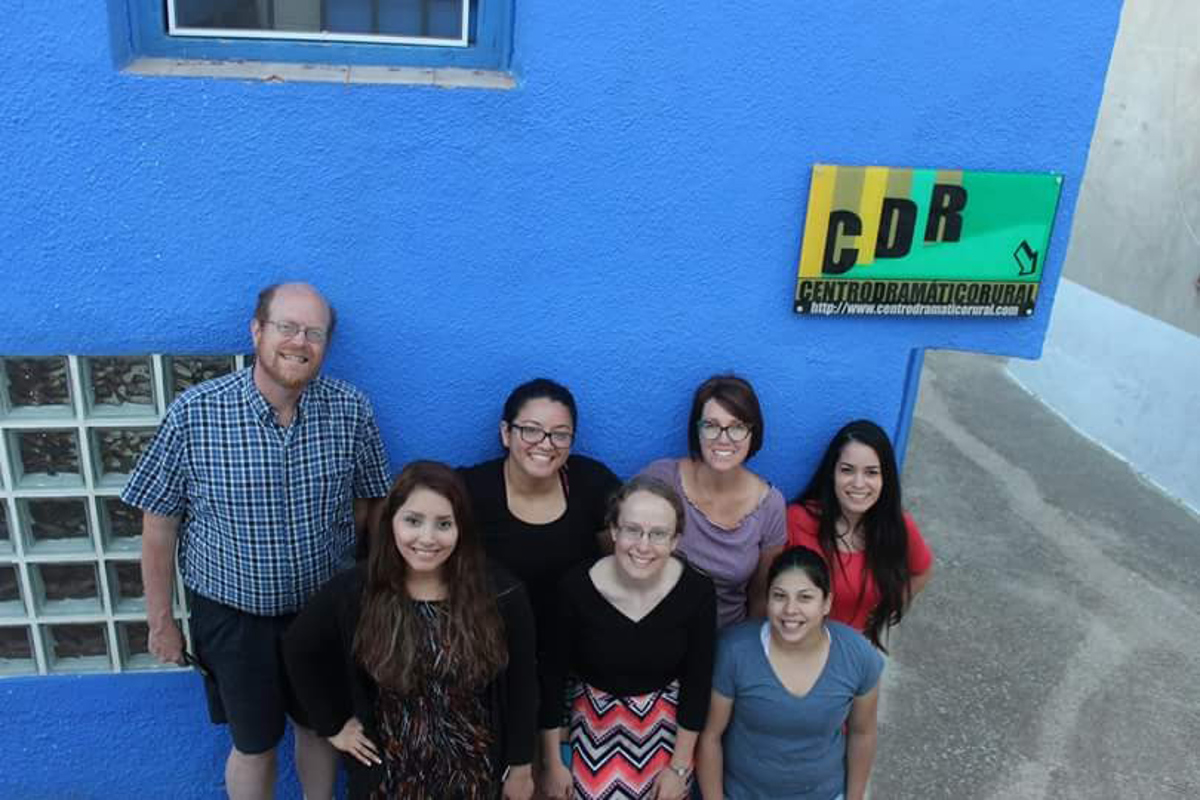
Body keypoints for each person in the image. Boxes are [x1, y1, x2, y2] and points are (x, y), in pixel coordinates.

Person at [121, 282, 391, 800]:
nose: (299, 341)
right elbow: (159, 526)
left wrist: (367, 597)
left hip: (321, 613)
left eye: (314, 332)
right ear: (257, 331)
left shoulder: (351, 411)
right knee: (254, 742)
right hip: (233, 617)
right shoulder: (195, 413)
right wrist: (161, 623)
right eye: (287, 327)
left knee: (321, 727)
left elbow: (370, 509)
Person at [283, 461, 538, 799]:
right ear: (391, 523)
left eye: (444, 524)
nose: (427, 538)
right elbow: (298, 648)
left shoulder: (501, 594)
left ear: (461, 529)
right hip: (389, 780)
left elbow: (522, 686)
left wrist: (520, 767)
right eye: (413, 521)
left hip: (476, 778)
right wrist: (333, 725)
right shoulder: (357, 590)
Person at [538, 476, 716, 800]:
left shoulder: (697, 592)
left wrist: (678, 768)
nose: (643, 546)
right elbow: (551, 679)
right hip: (591, 720)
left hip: (665, 726)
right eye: (632, 530)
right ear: (615, 531)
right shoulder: (575, 588)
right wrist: (552, 763)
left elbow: (697, 683)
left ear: (675, 541)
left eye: (658, 534)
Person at [459, 380, 621, 702]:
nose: (545, 443)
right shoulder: (471, 489)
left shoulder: (591, 483)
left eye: (560, 434)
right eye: (531, 430)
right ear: (506, 433)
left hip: (575, 655)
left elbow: (619, 561)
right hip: (491, 659)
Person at [696, 546, 883, 800]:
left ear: (827, 602)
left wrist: (855, 797)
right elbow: (711, 736)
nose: (790, 610)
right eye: (780, 596)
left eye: (805, 597)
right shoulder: (735, 650)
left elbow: (863, 733)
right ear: (768, 599)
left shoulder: (858, 655)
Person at [640, 374, 786, 627]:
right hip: (658, 632)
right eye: (711, 425)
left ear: (753, 433)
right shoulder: (663, 479)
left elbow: (760, 598)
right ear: (697, 430)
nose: (723, 438)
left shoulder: (770, 505)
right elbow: (619, 546)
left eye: (737, 427)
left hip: (724, 640)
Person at [787, 420, 933, 650]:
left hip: (851, 654)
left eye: (871, 473)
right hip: (794, 650)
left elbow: (921, 572)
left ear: (885, 478)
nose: (858, 483)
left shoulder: (897, 525)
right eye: (847, 470)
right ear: (832, 472)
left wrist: (881, 616)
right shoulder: (797, 520)